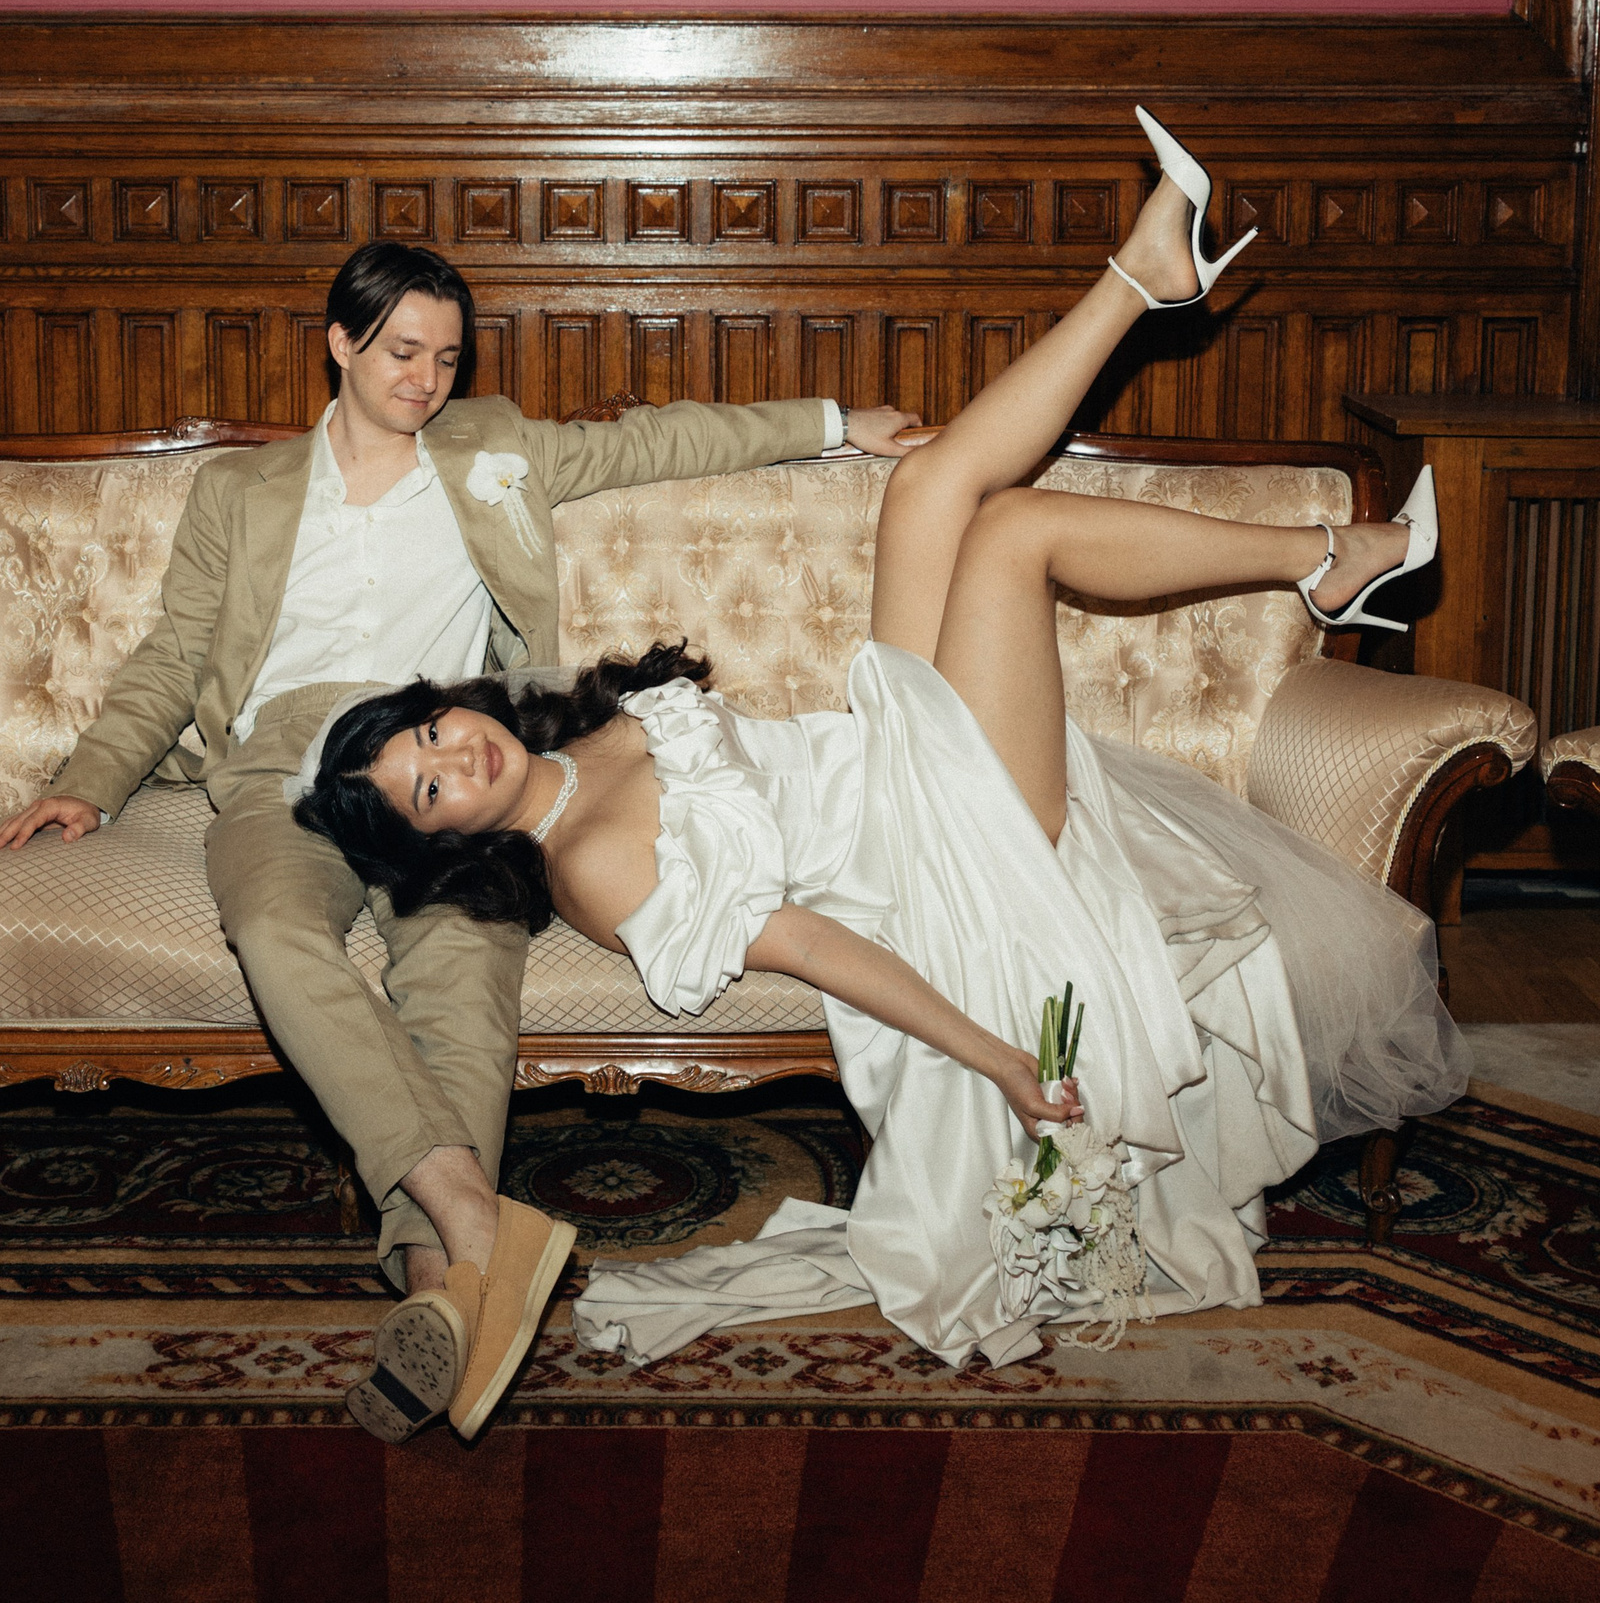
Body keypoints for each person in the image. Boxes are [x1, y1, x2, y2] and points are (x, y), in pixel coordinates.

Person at [301, 114, 1463, 1373]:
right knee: (1012, 535)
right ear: (447, 842)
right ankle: (1329, 560)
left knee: (927, 485)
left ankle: (1145, 279)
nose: (455, 756)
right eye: (429, 789)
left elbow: (659, 457)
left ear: (453, 699)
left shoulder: (584, 725)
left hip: (891, 758)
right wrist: (999, 1061)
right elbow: (813, 942)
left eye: (431, 730)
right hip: (950, 858)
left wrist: (835, 422)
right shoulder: (592, 864)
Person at [0, 238, 923, 1439]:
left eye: (444, 357)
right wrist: (89, 783)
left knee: (466, 976)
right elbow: (173, 654)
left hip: (446, 773)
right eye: (400, 351)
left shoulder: (492, 450)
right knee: (273, 925)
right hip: (285, 768)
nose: (423, 379)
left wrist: (840, 420)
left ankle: (440, 1281)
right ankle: (472, 1224)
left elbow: (661, 440)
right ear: (340, 342)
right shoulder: (243, 489)